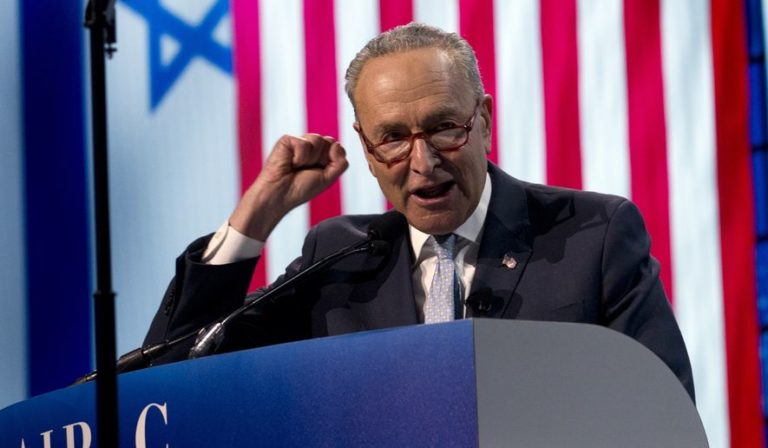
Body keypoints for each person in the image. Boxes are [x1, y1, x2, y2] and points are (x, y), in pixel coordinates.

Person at [144, 23, 694, 401]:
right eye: (392, 138)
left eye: (444, 128)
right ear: (365, 148)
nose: (423, 163)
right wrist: (256, 216)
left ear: (484, 121)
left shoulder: (594, 235)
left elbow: (662, 407)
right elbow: (173, 372)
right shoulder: (338, 256)